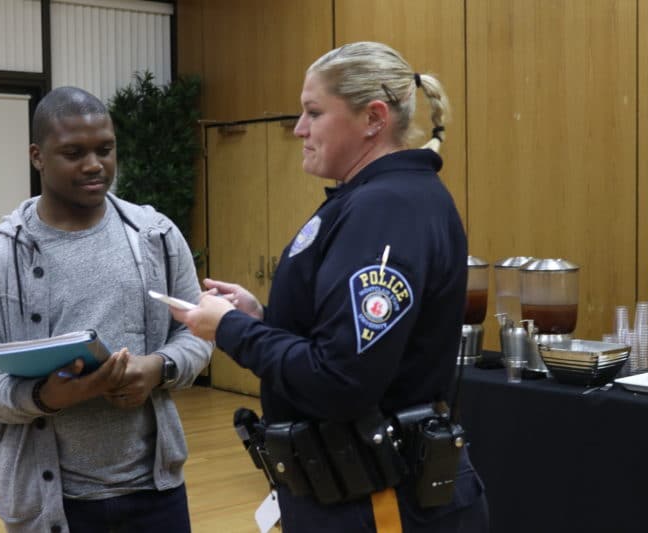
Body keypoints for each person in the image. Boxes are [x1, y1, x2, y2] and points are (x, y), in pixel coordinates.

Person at [172, 42, 489, 532]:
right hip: (353, 494)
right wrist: (264, 319)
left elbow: (341, 380)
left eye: (314, 113)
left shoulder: (387, 209)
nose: (299, 128)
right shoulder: (374, 200)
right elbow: (345, 341)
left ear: (373, 118)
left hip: (381, 501)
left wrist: (232, 329)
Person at [0, 86, 212, 533]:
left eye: (105, 150)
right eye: (73, 153)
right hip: (49, 504)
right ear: (38, 156)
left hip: (156, 494)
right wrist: (44, 397)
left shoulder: (157, 237)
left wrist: (159, 368)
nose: (94, 165)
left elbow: (197, 332)